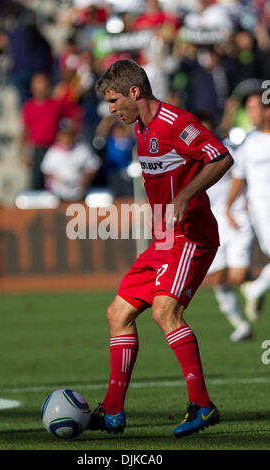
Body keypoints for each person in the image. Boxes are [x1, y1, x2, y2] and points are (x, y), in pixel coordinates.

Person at [88, 59, 233, 438]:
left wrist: (186, 194)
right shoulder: (139, 126)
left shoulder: (175, 123)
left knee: (166, 313)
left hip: (191, 236)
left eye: (115, 99)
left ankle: (202, 405)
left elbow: (221, 156)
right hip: (163, 241)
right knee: (117, 313)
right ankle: (114, 412)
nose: (111, 108)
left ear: (136, 92)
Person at [197, 111, 253, 342]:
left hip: (234, 217)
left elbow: (245, 176)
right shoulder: (187, 155)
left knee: (238, 276)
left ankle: (254, 289)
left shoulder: (230, 149)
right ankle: (241, 325)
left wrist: (244, 201)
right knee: (218, 278)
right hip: (210, 222)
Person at [226, 101, 270, 321]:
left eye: (257, 108)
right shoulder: (249, 142)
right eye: (251, 109)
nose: (254, 113)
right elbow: (238, 177)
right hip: (262, 207)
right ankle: (256, 289)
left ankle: (255, 289)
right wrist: (228, 206)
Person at [40, 119, 101, 202]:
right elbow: (46, 170)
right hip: (59, 194)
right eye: (64, 135)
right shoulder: (53, 151)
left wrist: (84, 180)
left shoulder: (82, 149)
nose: (67, 138)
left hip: (79, 194)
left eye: (69, 135)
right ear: (59, 136)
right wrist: (59, 180)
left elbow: (93, 166)